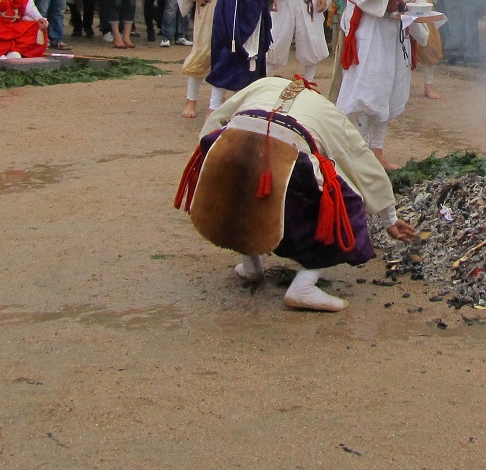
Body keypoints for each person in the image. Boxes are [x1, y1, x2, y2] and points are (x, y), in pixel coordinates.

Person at [177, 76, 421, 311]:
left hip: (224, 148)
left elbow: (217, 117)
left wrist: (207, 158)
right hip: (288, 155)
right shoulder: (327, 110)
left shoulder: (263, 85)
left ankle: (250, 264)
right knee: (348, 203)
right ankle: (304, 285)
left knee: (244, 183)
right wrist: (389, 218)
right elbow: (362, 160)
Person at [335, 0, 430, 166]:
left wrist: (418, 0)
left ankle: (376, 149)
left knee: (391, 88)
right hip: (370, 27)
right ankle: (355, 151)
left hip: (398, 27)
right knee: (367, 89)